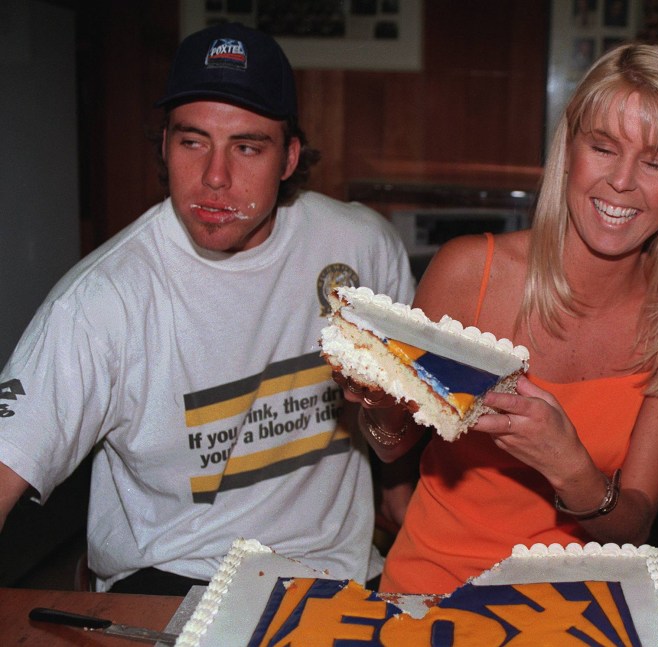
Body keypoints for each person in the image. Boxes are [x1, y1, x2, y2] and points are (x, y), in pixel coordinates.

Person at [0, 22, 413, 594]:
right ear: (165, 145)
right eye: (192, 142)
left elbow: (399, 447)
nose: (215, 178)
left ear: (290, 157)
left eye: (247, 147)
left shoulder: (363, 248)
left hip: (336, 577)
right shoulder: (101, 300)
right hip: (174, 574)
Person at [336, 42, 658, 594]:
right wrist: (380, 402)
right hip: (432, 591)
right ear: (570, 147)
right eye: (603, 148)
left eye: (657, 162)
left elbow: (634, 529)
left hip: (577, 605)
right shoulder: (470, 271)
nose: (621, 181)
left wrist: (572, 468)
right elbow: (392, 445)